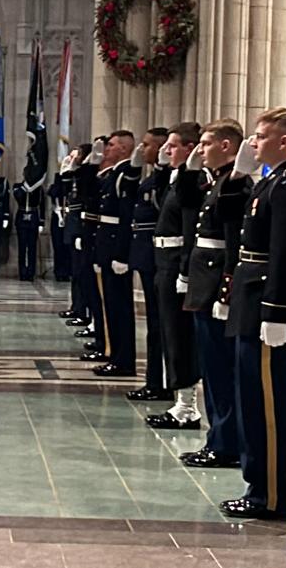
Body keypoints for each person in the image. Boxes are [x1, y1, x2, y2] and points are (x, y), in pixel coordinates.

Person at [221, 107, 286, 519]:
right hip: (251, 302)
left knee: (267, 407)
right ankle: (256, 485)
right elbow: (227, 219)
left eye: (260, 136)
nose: (252, 143)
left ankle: (270, 496)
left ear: (284, 141)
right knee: (250, 402)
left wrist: (276, 313)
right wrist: (238, 175)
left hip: (268, 310)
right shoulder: (268, 183)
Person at [175, 119, 251, 468]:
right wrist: (188, 171)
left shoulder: (237, 184)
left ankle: (225, 443)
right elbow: (189, 206)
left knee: (221, 369)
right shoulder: (216, 181)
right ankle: (218, 438)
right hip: (203, 279)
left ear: (225, 146)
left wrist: (226, 289)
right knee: (212, 366)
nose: (200, 149)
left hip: (216, 281)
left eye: (205, 144)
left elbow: (234, 241)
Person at [139, 123, 203, 415]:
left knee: (178, 335)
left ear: (190, 149)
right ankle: (178, 398)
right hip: (163, 259)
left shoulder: (195, 182)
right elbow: (159, 203)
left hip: (176, 259)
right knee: (167, 331)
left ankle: (186, 405)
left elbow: (190, 229)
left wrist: (185, 271)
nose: (167, 150)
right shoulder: (177, 179)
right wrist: (164, 170)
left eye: (173, 146)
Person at [123, 127, 169, 398]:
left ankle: (160, 383)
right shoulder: (149, 178)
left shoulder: (167, 179)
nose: (143, 149)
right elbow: (129, 202)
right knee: (154, 326)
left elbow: (164, 205)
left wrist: (163, 170)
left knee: (161, 327)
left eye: (148, 145)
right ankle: (154, 381)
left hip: (158, 257)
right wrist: (133, 169)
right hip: (146, 255)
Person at [91, 130, 140, 377]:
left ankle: (123, 359)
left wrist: (122, 254)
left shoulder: (127, 173)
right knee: (110, 304)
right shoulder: (115, 173)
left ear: (123, 149)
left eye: (111, 145)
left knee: (119, 306)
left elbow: (125, 217)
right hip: (106, 245)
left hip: (115, 247)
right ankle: (116, 355)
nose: (106, 149)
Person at [76, 139, 108, 360]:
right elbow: (84, 192)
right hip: (94, 238)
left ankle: (109, 347)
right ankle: (102, 340)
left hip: (106, 243)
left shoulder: (120, 176)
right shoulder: (103, 177)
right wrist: (87, 167)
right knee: (93, 292)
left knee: (108, 303)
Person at [59, 144, 91, 325]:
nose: (73, 157)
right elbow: (61, 192)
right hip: (72, 227)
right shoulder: (75, 176)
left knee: (81, 272)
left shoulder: (84, 178)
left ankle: (83, 310)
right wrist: (65, 173)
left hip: (80, 227)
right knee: (75, 271)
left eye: (76, 154)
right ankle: (76, 307)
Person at [12, 180, 45, 281]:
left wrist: (41, 222)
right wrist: (25, 187)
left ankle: (31, 273)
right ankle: (22, 273)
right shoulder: (18, 186)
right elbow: (18, 196)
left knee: (32, 247)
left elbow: (42, 205)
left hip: (33, 217)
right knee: (22, 247)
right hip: (22, 216)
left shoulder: (38, 188)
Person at [48, 170, 71, 283]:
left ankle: (66, 271)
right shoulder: (55, 188)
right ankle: (59, 272)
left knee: (67, 247)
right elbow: (53, 192)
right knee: (58, 247)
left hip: (68, 216)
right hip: (58, 216)